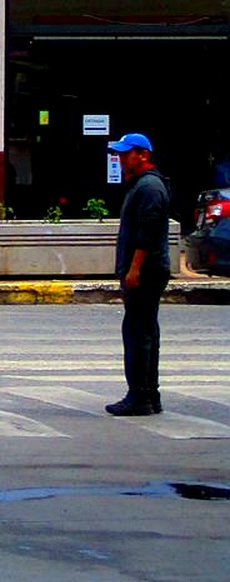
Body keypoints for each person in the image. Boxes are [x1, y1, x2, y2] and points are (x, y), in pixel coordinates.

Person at [106, 131, 171, 417]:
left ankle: (140, 397)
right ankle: (149, 394)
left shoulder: (149, 187)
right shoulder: (141, 185)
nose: (120, 158)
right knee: (144, 331)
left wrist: (133, 270)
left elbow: (149, 231)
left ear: (142, 154)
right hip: (144, 270)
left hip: (145, 271)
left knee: (137, 333)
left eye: (125, 153)